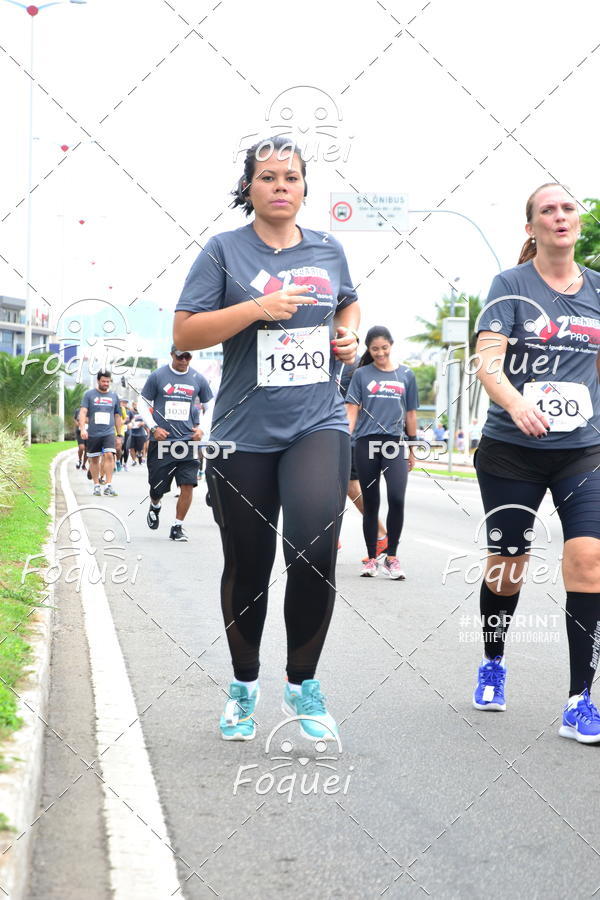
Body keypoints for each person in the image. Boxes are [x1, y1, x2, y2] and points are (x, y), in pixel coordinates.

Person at [173, 136, 360, 742]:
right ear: (249, 188)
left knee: (313, 549)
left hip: (318, 422)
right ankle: (244, 687)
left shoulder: (329, 250)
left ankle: (303, 684)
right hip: (243, 433)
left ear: (306, 188)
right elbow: (187, 332)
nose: (281, 185)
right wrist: (258, 308)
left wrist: (347, 339)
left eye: (292, 177)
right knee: (248, 564)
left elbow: (349, 305)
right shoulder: (224, 250)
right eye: (269, 176)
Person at [472, 182, 600, 743]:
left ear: (578, 220)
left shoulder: (597, 290)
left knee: (589, 562)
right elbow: (486, 361)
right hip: (511, 451)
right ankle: (494, 662)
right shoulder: (510, 287)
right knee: (508, 565)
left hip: (583, 450)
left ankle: (580, 699)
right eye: (546, 210)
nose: (559, 216)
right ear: (531, 228)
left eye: (568, 208)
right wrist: (518, 402)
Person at [345, 326, 418, 580]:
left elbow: (410, 414)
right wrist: (345, 437)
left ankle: (392, 558)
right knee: (371, 502)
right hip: (365, 443)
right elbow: (352, 409)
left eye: (384, 348)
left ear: (391, 345)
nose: (380, 353)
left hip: (393, 444)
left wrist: (412, 446)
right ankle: (372, 559)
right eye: (374, 349)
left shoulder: (406, 374)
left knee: (397, 497)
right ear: (368, 349)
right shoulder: (361, 375)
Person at [140, 345, 213, 541]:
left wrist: (202, 429)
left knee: (187, 484)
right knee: (157, 488)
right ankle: (155, 504)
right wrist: (154, 427)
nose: (184, 361)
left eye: (187, 357)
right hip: (162, 442)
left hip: (187, 443)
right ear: (172, 355)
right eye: (180, 357)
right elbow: (142, 402)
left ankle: (177, 526)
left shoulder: (198, 378)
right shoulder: (157, 376)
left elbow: (210, 405)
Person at [337, 359, 387, 557]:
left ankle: (381, 536)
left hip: (348, 434)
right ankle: (328, 536)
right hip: (338, 433)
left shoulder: (355, 365)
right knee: (335, 487)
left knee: (350, 487)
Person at [79, 371, 122, 497]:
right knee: (94, 459)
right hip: (93, 433)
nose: (106, 384)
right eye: (103, 381)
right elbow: (83, 412)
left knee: (109, 455)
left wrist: (119, 435)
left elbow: (117, 416)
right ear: (98, 381)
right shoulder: (89, 395)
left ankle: (108, 485)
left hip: (108, 432)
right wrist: (82, 429)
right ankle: (96, 485)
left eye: (108, 381)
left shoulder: (114, 396)